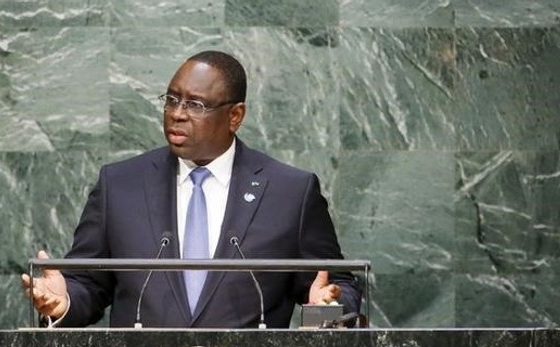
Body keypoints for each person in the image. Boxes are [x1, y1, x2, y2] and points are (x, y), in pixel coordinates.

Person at [21, 50, 361, 328]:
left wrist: (328, 304)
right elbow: (89, 284)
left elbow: (336, 284)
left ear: (235, 116)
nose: (177, 115)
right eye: (171, 100)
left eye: (195, 105)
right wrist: (63, 302)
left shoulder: (290, 192)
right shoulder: (120, 184)